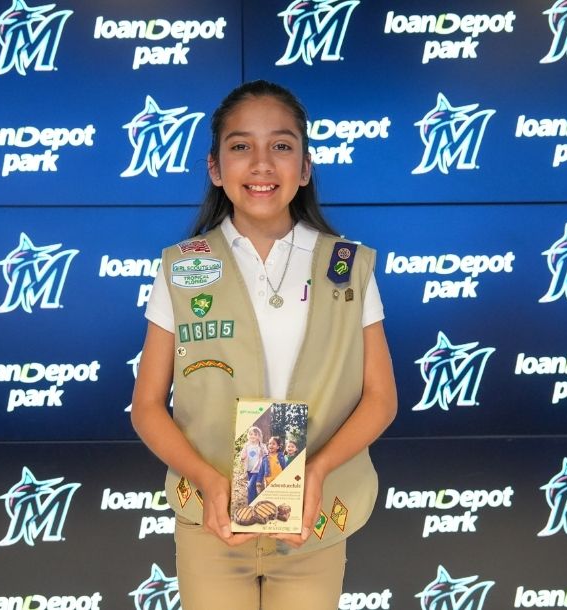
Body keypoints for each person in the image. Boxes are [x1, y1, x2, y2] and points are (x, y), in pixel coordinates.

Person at [131, 79, 397, 610]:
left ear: (304, 167)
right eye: (240, 147)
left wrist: (315, 472)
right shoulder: (183, 266)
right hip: (211, 525)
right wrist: (208, 481)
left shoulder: (347, 265)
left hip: (313, 523)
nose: (260, 163)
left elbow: (381, 398)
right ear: (214, 167)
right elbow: (146, 408)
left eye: (280, 145)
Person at [240, 426, 268, 503]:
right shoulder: (247, 445)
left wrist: (264, 454)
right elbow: (242, 456)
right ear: (248, 435)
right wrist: (242, 457)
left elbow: (266, 456)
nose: (252, 436)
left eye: (255, 435)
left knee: (249, 486)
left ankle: (250, 505)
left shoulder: (262, 446)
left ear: (259, 436)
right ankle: (256, 502)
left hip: (258, 470)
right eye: (251, 434)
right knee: (252, 487)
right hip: (249, 469)